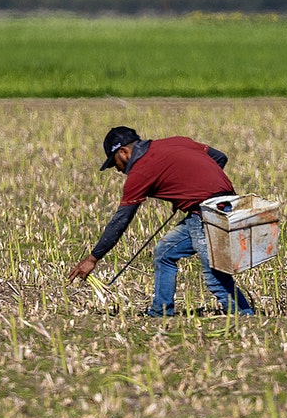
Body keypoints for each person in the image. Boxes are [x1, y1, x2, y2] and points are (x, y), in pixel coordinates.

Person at [67, 126, 255, 317]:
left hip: (207, 214)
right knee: (164, 252)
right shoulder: (177, 142)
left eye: (114, 162)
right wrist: (191, 186)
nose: (116, 169)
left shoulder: (140, 171)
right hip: (228, 205)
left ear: (123, 152)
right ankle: (161, 312)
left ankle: (245, 316)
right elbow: (220, 157)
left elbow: (121, 219)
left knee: (215, 276)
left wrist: (92, 259)